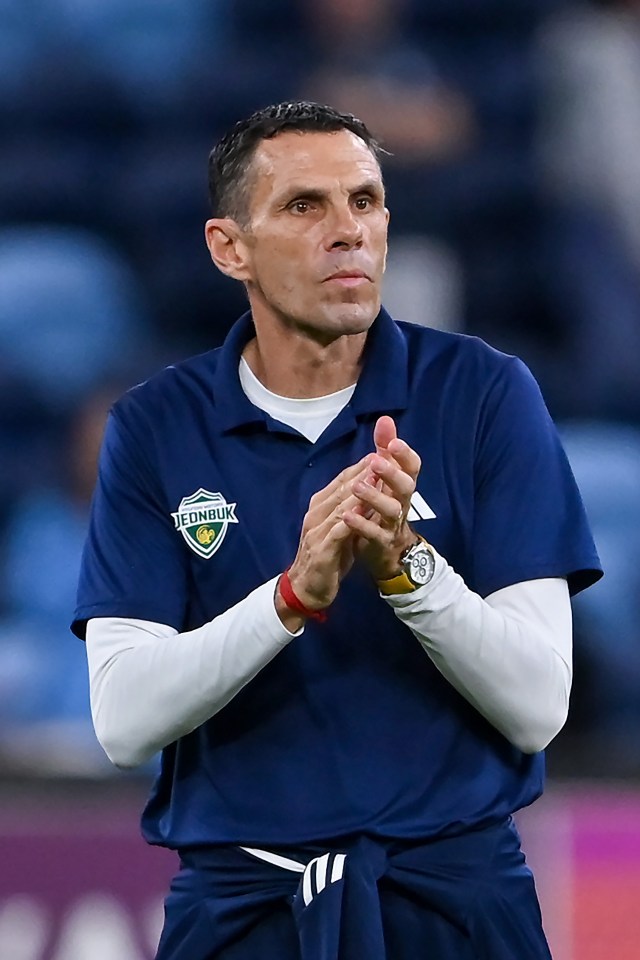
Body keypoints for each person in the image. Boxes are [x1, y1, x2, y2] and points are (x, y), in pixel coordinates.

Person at [73, 102, 602, 959]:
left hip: (453, 904)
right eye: (303, 206)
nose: (348, 231)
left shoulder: (484, 392)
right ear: (229, 248)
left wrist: (408, 570)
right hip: (245, 912)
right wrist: (289, 598)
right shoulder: (156, 426)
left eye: (365, 201)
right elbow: (124, 722)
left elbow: (538, 706)